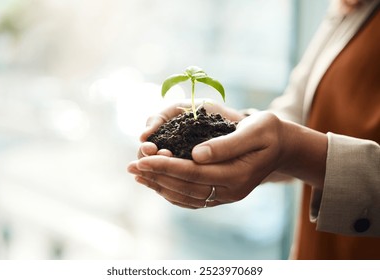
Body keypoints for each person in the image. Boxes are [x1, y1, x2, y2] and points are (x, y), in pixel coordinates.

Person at [128, 0, 380, 259]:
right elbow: (298, 110)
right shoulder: (353, 5)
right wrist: (240, 127)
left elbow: (294, 139)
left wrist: (293, 150)